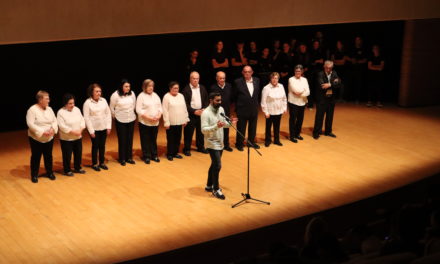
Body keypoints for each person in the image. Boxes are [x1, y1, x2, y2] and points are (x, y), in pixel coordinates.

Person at [201, 92, 237, 200]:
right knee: (217, 165)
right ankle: (215, 189)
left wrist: (230, 123)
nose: (219, 102)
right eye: (217, 100)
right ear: (211, 100)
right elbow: (203, 130)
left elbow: (224, 123)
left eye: (220, 100)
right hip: (211, 142)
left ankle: (208, 185)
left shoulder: (221, 109)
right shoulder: (205, 113)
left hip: (220, 141)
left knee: (214, 164)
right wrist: (216, 126)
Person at [26, 90, 58, 183]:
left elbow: (54, 120)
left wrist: (52, 129)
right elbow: (30, 124)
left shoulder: (49, 109)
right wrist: (42, 132)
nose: (49, 100)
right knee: (36, 156)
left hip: (49, 137)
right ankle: (34, 175)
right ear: (40, 100)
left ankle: (49, 172)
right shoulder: (32, 110)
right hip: (36, 138)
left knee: (48, 156)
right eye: (47, 98)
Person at [83, 83, 112, 171]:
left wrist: (108, 126)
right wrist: (91, 131)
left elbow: (108, 113)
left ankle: (102, 162)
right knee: (95, 145)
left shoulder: (103, 100)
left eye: (100, 91)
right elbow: (86, 118)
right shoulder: (87, 103)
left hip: (103, 126)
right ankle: (95, 163)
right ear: (92, 92)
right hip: (94, 128)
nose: (99, 93)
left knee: (102, 145)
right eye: (96, 91)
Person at [57, 93, 86, 176]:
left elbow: (82, 120)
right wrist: (74, 132)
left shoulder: (77, 109)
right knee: (67, 155)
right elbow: (62, 126)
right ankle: (67, 170)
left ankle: (77, 167)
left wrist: (80, 130)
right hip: (67, 139)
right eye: (70, 103)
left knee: (78, 153)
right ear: (65, 103)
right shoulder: (60, 112)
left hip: (78, 137)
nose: (72, 105)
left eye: (73, 103)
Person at [233, 65, 261, 151]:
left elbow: (257, 94)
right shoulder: (237, 82)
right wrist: (237, 109)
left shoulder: (257, 80)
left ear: (252, 72)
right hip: (242, 109)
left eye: (249, 72)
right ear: (242, 72)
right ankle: (239, 144)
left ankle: (251, 143)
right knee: (241, 128)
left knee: (253, 127)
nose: (247, 73)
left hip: (253, 109)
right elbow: (235, 96)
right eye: (245, 72)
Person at [110, 79, 136, 166]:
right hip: (120, 120)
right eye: (126, 86)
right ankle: (122, 158)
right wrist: (116, 117)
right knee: (122, 139)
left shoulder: (132, 94)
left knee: (129, 139)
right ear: (121, 86)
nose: (128, 88)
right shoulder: (115, 95)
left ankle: (129, 157)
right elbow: (111, 108)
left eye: (129, 86)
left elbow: (134, 105)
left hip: (131, 119)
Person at [182, 71, 209, 156]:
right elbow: (185, 104)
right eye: (194, 78)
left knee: (201, 132)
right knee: (188, 133)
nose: (195, 80)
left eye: (197, 78)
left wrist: (204, 109)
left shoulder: (202, 88)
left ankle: (200, 147)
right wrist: (194, 111)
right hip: (191, 114)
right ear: (190, 79)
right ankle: (187, 149)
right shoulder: (186, 89)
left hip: (201, 113)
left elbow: (206, 100)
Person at [313, 61, 341, 139]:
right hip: (322, 98)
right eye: (327, 67)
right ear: (324, 67)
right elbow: (322, 85)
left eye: (330, 68)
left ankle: (328, 131)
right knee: (319, 116)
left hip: (331, 98)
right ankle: (316, 132)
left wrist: (329, 84)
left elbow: (339, 83)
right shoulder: (320, 74)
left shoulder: (334, 73)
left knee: (330, 116)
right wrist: (333, 83)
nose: (328, 69)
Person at [136, 79, 162, 164]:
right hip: (145, 122)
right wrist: (148, 118)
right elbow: (138, 110)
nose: (151, 88)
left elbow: (160, 107)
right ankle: (146, 156)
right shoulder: (141, 96)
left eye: (152, 86)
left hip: (155, 122)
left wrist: (158, 115)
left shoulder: (156, 95)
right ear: (145, 87)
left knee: (153, 139)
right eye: (149, 86)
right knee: (145, 139)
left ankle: (154, 155)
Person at [162, 81, 189, 161]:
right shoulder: (166, 97)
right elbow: (165, 110)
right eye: (174, 88)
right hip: (171, 122)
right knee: (171, 139)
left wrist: (185, 119)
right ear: (170, 88)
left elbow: (184, 108)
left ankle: (175, 153)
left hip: (180, 121)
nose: (176, 89)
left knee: (178, 138)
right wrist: (166, 122)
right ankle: (170, 154)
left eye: (177, 88)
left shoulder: (181, 96)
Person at [261, 72, 287, 147]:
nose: (274, 80)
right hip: (270, 112)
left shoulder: (281, 86)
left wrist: (284, 108)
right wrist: (266, 112)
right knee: (268, 127)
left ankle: (276, 140)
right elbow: (263, 101)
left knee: (277, 126)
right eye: (273, 78)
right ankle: (268, 140)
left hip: (279, 111)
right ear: (270, 79)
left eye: (276, 78)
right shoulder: (266, 88)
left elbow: (284, 98)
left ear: (278, 79)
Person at [210, 71, 234, 152]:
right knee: (217, 129)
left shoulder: (229, 86)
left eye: (223, 78)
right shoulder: (213, 88)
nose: (222, 80)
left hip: (226, 111)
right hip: (216, 112)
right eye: (220, 78)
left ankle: (226, 145)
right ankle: (216, 145)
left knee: (226, 128)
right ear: (217, 78)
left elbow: (231, 99)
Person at [288, 65, 310, 143]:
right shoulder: (291, 79)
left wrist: (300, 93)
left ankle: (297, 134)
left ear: (302, 72)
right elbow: (295, 90)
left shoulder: (305, 79)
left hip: (302, 102)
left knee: (300, 119)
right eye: (296, 71)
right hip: (293, 102)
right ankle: (292, 136)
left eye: (299, 71)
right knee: (293, 119)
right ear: (294, 72)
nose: (298, 72)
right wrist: (302, 91)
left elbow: (308, 92)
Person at [350, 36, 368, 103]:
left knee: (359, 84)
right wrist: (352, 60)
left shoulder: (363, 49)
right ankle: (351, 98)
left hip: (360, 70)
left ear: (360, 41)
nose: (357, 41)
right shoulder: (352, 49)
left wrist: (357, 61)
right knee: (352, 84)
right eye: (356, 40)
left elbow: (365, 60)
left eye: (358, 40)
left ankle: (357, 99)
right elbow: (348, 57)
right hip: (352, 69)